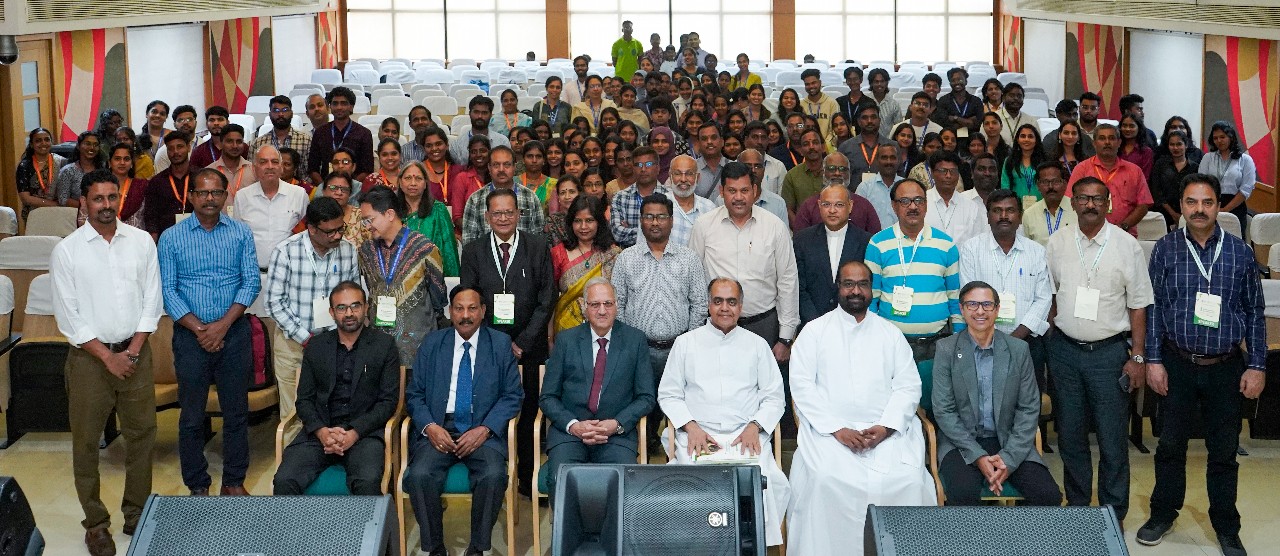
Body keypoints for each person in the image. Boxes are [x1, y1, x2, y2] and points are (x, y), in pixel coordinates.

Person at [1138, 174, 1264, 556]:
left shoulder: (1241, 252)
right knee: (1170, 445)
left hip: (1225, 366)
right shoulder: (1165, 249)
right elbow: (1154, 308)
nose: (1199, 210)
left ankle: (1226, 526)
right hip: (1176, 362)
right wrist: (1153, 360)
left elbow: (1255, 312)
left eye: (1207, 202)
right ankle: (1163, 513)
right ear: (1181, 206)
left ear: (1218, 206)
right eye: (1191, 202)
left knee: (1224, 451)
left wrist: (1257, 365)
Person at [788, 260, 937, 552]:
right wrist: (837, 429)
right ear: (838, 288)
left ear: (872, 289)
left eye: (862, 284)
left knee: (909, 481)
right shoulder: (814, 332)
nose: (855, 291)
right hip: (830, 435)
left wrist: (886, 427)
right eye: (849, 284)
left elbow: (908, 386)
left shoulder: (889, 333)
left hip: (885, 434)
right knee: (824, 480)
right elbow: (802, 387)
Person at [51, 170, 162, 556]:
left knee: (142, 434)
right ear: (84, 202)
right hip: (89, 361)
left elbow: (152, 299)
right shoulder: (67, 251)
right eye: (97, 199)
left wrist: (131, 351)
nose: (106, 205)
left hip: (135, 354)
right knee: (85, 442)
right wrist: (107, 357)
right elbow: (69, 316)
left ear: (120, 199)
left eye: (112, 197)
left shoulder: (142, 242)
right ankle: (96, 524)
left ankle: (137, 513)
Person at [1046, 176, 1153, 525]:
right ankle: (1078, 507)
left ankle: (1112, 512)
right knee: (1071, 436)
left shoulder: (1126, 245)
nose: (1090, 204)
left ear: (1108, 204)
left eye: (1097, 199)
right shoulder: (1057, 243)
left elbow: (1138, 305)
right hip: (1065, 352)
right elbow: (1052, 295)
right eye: (1083, 198)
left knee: (1112, 438)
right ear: (1073, 203)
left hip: (1109, 355)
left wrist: (1138, 356)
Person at [659, 277, 789, 546]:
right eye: (718, 301)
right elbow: (669, 394)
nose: (725, 308)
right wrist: (691, 427)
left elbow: (774, 397)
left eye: (731, 302)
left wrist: (755, 426)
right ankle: (697, 546)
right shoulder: (685, 343)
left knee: (769, 480)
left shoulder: (757, 345)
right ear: (709, 305)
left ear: (741, 306)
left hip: (746, 436)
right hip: (698, 436)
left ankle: (751, 545)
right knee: (688, 482)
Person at [157, 168, 261, 496]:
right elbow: (168, 290)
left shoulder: (241, 233)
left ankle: (233, 481)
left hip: (233, 333)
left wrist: (222, 326)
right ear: (191, 197)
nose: (209, 199)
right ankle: (197, 485)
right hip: (191, 336)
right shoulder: (171, 237)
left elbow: (251, 282)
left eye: (216, 192)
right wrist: (201, 329)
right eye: (202, 193)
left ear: (226, 196)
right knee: (191, 416)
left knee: (236, 413)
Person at [400, 285, 523, 556]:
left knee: (493, 475)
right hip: (439, 428)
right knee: (419, 475)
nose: (465, 315)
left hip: (482, 431)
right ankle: (435, 548)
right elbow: (414, 394)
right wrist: (430, 427)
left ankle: (477, 548)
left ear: (483, 311)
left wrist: (485, 429)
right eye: (459, 308)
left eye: (472, 308)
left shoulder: (500, 344)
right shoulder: (433, 343)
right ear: (450, 311)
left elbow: (513, 395)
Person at [459, 187, 557, 496]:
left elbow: (547, 298)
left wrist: (523, 342)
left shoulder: (537, 246)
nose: (503, 218)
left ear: (518, 214)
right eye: (497, 213)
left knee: (528, 413)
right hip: (488, 348)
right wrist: (498, 344)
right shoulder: (473, 251)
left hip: (530, 348)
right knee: (489, 410)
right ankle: (493, 477)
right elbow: (469, 301)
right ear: (487, 216)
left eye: (509, 212)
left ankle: (526, 478)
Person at [931, 281, 1063, 506]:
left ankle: (1017, 531)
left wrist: (1008, 459)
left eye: (987, 305)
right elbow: (944, 411)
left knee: (1047, 494)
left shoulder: (1018, 350)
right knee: (963, 492)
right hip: (962, 442)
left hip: (1009, 439)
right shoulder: (947, 349)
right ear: (962, 309)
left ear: (997, 309)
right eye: (972, 304)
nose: (980, 311)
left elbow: (1029, 408)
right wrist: (978, 456)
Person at [272, 281, 401, 496]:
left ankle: (367, 522)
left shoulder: (384, 345)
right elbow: (304, 400)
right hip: (320, 433)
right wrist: (322, 432)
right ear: (332, 312)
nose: (349, 313)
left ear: (366, 308)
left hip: (364, 433)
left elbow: (387, 402)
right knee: (285, 480)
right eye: (341, 308)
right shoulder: (316, 346)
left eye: (355, 306)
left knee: (367, 481)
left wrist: (354, 433)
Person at [538, 279, 656, 503]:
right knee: (560, 479)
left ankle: (611, 528)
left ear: (617, 305)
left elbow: (646, 397)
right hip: (570, 435)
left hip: (616, 435)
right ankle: (569, 528)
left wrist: (617, 424)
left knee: (623, 484)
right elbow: (548, 397)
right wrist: (573, 425)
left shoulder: (635, 340)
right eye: (595, 304)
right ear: (584, 306)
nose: (602, 311)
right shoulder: (566, 340)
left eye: (608, 303)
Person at [612, 194, 708, 443]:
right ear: (641, 221)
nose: (655, 222)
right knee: (641, 406)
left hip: (678, 348)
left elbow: (700, 303)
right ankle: (644, 448)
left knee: (679, 407)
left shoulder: (689, 259)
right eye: (649, 217)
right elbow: (617, 304)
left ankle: (676, 452)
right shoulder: (626, 259)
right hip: (639, 349)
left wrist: (687, 342)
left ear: (672, 221)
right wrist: (629, 343)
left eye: (661, 217)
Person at [264, 196, 360, 425]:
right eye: (330, 232)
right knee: (293, 415)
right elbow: (274, 302)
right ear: (312, 229)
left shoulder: (348, 250)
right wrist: (306, 339)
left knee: (333, 412)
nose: (337, 236)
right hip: (293, 345)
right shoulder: (286, 251)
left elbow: (353, 296)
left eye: (340, 229)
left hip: (336, 345)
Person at [690, 162, 799, 361]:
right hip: (716, 327)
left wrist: (785, 337)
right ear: (721, 191)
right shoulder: (704, 226)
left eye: (744, 190)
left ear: (755, 191)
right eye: (732, 191)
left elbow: (788, 280)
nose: (738, 197)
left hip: (763, 325)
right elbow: (693, 280)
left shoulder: (775, 227)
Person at [959, 188, 1054, 387]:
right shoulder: (971, 249)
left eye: (1010, 210)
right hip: (982, 342)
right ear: (988, 216)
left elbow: (1043, 299)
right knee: (985, 399)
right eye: (997, 210)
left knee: (1027, 399)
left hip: (1027, 343)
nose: (1004, 216)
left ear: (1020, 216)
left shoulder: (1036, 252)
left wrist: (1015, 338)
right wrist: (992, 337)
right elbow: (969, 297)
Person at [864, 179, 962, 362]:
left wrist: (958, 340)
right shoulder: (877, 244)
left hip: (938, 344)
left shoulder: (946, 245)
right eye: (905, 201)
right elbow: (871, 298)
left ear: (926, 204)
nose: (913, 207)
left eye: (918, 200)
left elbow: (955, 298)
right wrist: (873, 339)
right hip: (891, 345)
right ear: (894, 206)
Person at [356, 185, 446, 366]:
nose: (367, 227)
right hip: (378, 346)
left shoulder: (425, 248)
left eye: (369, 220)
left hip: (417, 346)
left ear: (390, 214)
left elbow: (438, 298)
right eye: (364, 222)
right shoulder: (366, 251)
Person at [794, 184, 872, 326]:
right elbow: (798, 286)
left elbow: (867, 287)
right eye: (826, 204)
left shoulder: (866, 241)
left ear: (850, 206)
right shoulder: (802, 240)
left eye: (839, 205)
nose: (832, 210)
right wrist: (816, 323)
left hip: (853, 323)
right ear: (819, 205)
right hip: (812, 324)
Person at [551, 195, 622, 334]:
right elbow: (550, 298)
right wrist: (549, 335)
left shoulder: (613, 254)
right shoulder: (558, 253)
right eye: (578, 221)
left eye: (589, 220)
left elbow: (619, 297)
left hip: (606, 329)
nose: (583, 227)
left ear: (599, 222)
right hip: (566, 330)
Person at [1067, 124, 1152, 236]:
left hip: (1124, 234)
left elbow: (1143, 205)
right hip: (1087, 235)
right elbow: (1071, 201)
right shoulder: (1082, 169)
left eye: (1111, 138)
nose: (1107, 142)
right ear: (1094, 143)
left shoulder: (1134, 171)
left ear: (1119, 142)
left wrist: (1123, 227)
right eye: (1102, 138)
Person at [231, 145, 308, 269]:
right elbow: (237, 238)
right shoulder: (242, 196)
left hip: (289, 271)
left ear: (281, 167)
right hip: (253, 272)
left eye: (275, 162)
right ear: (254, 168)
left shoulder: (299, 194)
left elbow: (306, 235)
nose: (270, 166)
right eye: (263, 162)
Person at [460, 146, 546, 244]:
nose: (501, 169)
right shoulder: (475, 200)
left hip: (525, 253)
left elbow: (538, 239)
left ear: (514, 167)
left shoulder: (530, 198)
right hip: (486, 254)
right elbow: (469, 242)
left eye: (507, 165)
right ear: (489, 167)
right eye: (496, 165)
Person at [790, 152, 881, 234]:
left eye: (842, 169)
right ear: (823, 172)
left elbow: (876, 241)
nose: (837, 173)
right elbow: (800, 240)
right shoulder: (809, 206)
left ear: (849, 174)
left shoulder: (864, 206)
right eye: (832, 169)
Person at [398, 162, 460, 277]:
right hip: (400, 278)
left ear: (426, 183)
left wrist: (452, 282)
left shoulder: (438, 210)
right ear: (400, 183)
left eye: (418, 178)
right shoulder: (392, 213)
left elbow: (449, 251)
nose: (413, 183)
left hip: (433, 277)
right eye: (408, 178)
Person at [309, 87, 374, 184]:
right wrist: (325, 187)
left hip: (354, 188)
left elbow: (367, 170)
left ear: (351, 107)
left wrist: (348, 187)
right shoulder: (320, 133)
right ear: (330, 107)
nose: (339, 107)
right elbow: (312, 169)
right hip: (325, 187)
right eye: (335, 103)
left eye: (343, 103)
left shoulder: (364, 133)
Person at [1200, 121, 1257, 227]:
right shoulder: (1208, 158)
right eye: (1215, 138)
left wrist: (1225, 209)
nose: (1219, 141)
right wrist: (1212, 207)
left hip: (1236, 206)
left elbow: (1246, 189)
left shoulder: (1245, 160)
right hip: (1211, 204)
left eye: (1222, 137)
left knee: (1234, 237)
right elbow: (1201, 184)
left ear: (1231, 137)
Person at [925, 150, 987, 245]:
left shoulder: (971, 207)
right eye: (943, 171)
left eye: (953, 171)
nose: (948, 176)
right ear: (932, 173)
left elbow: (978, 242)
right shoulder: (921, 202)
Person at [610, 146, 668, 248]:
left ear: (658, 168)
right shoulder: (620, 198)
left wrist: (630, 230)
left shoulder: (669, 197)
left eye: (648, 164)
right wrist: (657, 232)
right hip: (629, 256)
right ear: (633, 168)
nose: (643, 169)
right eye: (638, 165)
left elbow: (672, 232)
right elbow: (618, 234)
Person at [142, 131, 195, 240]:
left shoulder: (200, 177)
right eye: (170, 148)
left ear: (189, 147)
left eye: (180, 147)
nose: (175, 152)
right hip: (167, 239)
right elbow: (151, 217)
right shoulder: (157, 182)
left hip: (197, 236)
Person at [15, 127, 67, 221]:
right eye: (38, 141)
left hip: (60, 214)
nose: (43, 143)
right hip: (34, 215)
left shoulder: (62, 162)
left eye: (47, 140)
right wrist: (54, 205)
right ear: (31, 144)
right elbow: (25, 198)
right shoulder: (25, 166)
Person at [1150, 130, 1198, 228]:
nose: (1175, 148)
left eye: (1179, 144)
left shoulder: (1195, 167)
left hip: (1188, 214)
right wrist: (1173, 214)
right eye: (1172, 144)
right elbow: (1156, 191)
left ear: (1186, 145)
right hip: (1162, 214)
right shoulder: (1160, 164)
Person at [1021, 161, 1077, 246]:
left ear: (1065, 184)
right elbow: (1026, 248)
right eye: (1045, 182)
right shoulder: (1029, 214)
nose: (1050, 186)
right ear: (1038, 186)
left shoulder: (1078, 210)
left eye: (1056, 181)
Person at [666, 154, 716, 247]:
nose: (683, 179)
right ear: (670, 176)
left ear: (698, 178)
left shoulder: (709, 208)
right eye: (677, 173)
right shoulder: (658, 205)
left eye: (689, 174)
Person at [779, 127, 827, 221]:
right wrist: (800, 227)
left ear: (823, 147)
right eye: (806, 144)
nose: (811, 147)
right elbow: (788, 209)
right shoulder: (792, 176)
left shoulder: (834, 171)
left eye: (815, 142)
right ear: (800, 150)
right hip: (803, 227)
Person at [251, 95, 312, 166]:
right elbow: (252, 170)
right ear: (270, 115)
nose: (281, 114)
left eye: (285, 110)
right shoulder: (258, 144)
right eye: (276, 110)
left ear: (292, 113)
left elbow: (309, 171)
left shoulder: (306, 141)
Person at [54, 131, 104, 209]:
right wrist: (89, 207)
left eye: (95, 145)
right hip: (74, 213)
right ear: (78, 146)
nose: (92, 147)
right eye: (87, 144)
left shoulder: (103, 170)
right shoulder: (68, 171)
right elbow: (63, 199)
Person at [856, 142, 901, 228]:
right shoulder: (865, 188)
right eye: (884, 158)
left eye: (892, 158)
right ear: (877, 161)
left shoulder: (906, 187)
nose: (888, 162)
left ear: (898, 161)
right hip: (873, 236)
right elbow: (858, 219)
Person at [1001, 124, 1046, 204]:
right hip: (1016, 206)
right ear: (1018, 140)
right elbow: (1005, 186)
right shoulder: (1009, 161)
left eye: (1030, 136)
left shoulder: (1044, 161)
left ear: (1036, 140)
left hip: (1041, 205)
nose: (1026, 139)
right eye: (1023, 136)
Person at [936, 68, 984, 133]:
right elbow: (944, 124)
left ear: (966, 81)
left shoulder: (976, 101)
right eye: (953, 80)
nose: (957, 82)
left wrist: (955, 118)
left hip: (973, 137)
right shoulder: (943, 100)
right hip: (951, 137)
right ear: (950, 83)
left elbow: (978, 124)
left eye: (960, 79)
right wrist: (968, 122)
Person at [798, 69, 839, 138]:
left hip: (828, 143)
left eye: (813, 83)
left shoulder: (831, 103)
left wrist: (826, 143)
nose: (811, 86)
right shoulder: (800, 105)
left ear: (820, 83)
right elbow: (800, 126)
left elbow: (834, 128)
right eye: (807, 84)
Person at [694, 122, 726, 198]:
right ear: (698, 144)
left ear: (722, 141)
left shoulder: (733, 166)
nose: (709, 142)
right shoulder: (691, 169)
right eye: (704, 139)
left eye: (714, 138)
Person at [1119, 114, 1155, 180]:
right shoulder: (1116, 148)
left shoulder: (1146, 151)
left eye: (1131, 126)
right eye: (1124, 125)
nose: (1127, 129)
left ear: (1139, 128)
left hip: (1138, 185)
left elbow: (1145, 177)